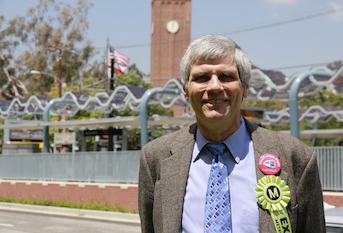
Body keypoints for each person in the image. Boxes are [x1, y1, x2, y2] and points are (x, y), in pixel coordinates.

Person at [138, 34, 326, 233]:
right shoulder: (156, 158)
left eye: (226, 77)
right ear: (185, 90)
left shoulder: (296, 157)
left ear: (245, 88)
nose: (214, 87)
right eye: (201, 78)